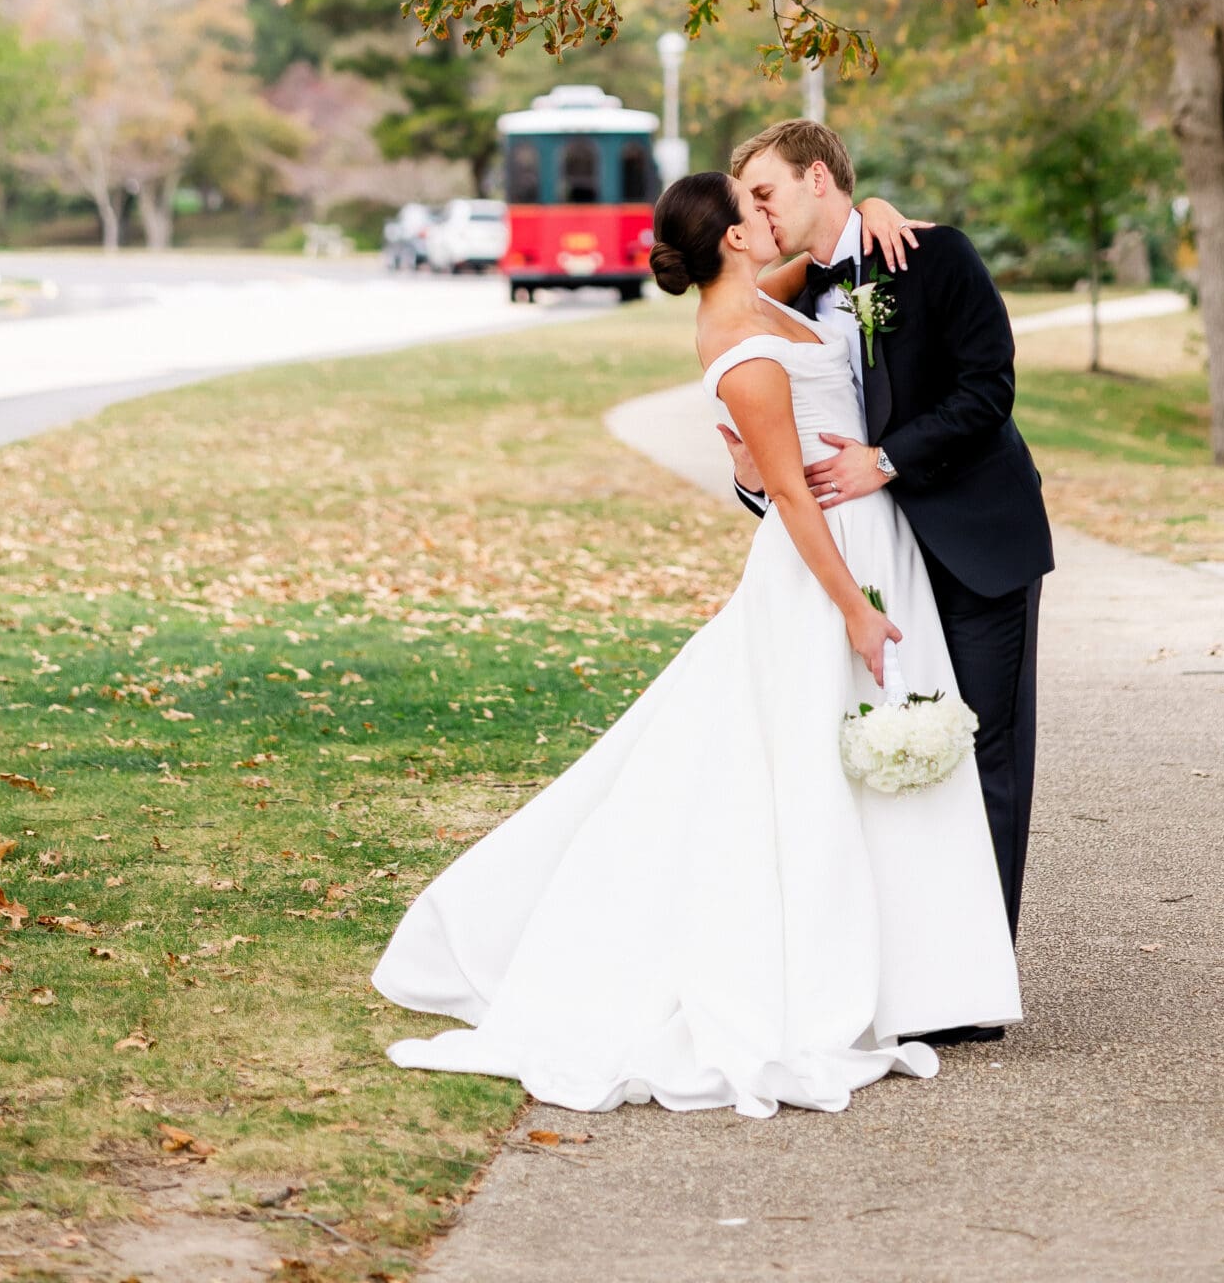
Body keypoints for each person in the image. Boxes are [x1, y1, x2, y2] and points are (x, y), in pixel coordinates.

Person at [371, 169, 1019, 1118]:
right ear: (732, 238)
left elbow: (833, 262)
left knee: (855, 758)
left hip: (875, 535)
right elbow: (786, 493)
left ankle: (910, 975)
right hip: (829, 561)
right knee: (808, 762)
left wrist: (870, 206)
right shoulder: (741, 345)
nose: (769, 213)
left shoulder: (764, 293)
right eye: (754, 206)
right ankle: (814, 966)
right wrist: (852, 607)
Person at [725, 119, 1052, 966]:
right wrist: (754, 479)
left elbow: (987, 390)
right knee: (890, 758)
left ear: (817, 179)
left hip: (974, 546)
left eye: (764, 193)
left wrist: (885, 460)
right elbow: (782, 448)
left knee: (981, 754)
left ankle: (977, 980)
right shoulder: (789, 302)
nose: (756, 214)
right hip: (878, 570)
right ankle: (913, 967)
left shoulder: (933, 256)